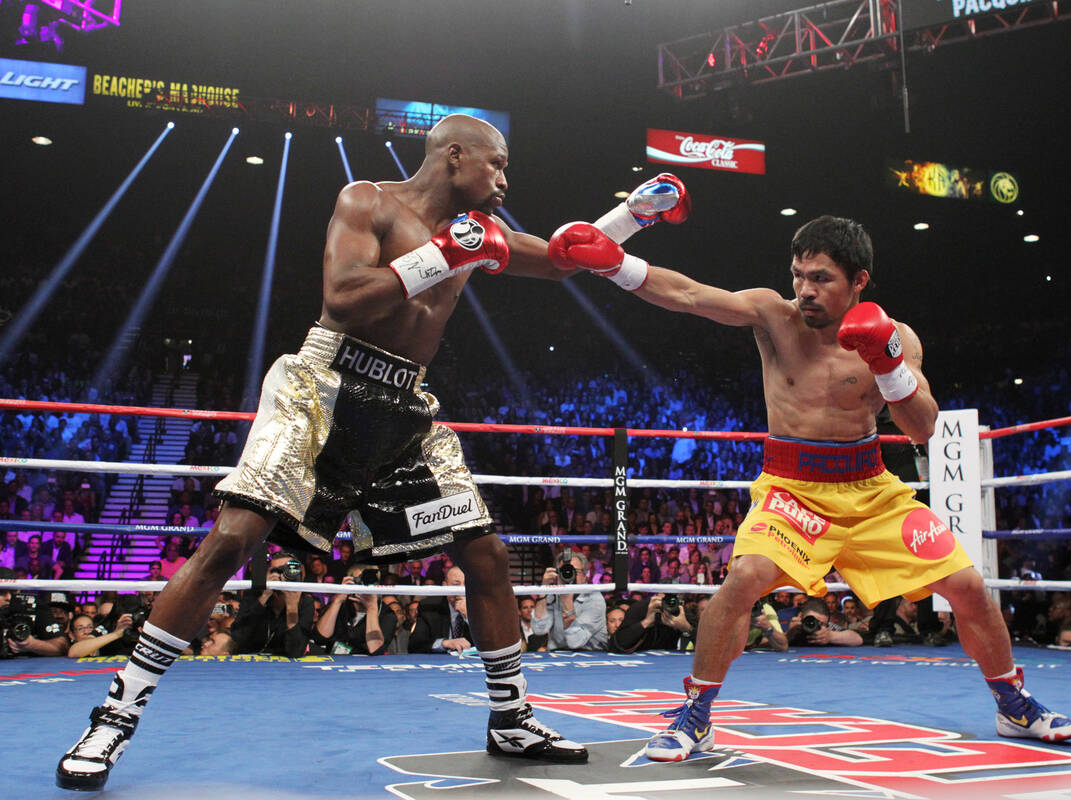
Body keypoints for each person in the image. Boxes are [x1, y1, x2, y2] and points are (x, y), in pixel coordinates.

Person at [56, 114, 693, 789]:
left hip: (402, 409)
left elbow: (566, 257)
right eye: (497, 164)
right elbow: (344, 297)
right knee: (232, 540)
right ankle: (113, 718)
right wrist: (442, 255)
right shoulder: (368, 201)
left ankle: (510, 716)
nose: (505, 180)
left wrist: (631, 216)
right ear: (455, 156)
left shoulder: (485, 235)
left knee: (486, 553)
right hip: (322, 387)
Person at [548, 212, 1071, 761]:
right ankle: (697, 717)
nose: (804, 289)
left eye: (821, 278)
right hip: (792, 489)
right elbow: (689, 295)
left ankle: (1012, 704)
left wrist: (888, 363)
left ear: (859, 282)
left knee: (969, 586)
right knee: (743, 581)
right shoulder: (772, 314)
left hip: (872, 490)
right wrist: (617, 265)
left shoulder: (897, 337)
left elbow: (924, 429)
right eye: (798, 274)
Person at [529, 549, 607, 651]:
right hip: (557, 654)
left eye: (575, 571)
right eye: (564, 570)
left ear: (584, 576)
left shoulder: (595, 599)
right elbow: (539, 629)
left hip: (590, 655)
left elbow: (575, 642)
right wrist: (543, 590)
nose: (568, 574)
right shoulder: (553, 594)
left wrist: (567, 600)